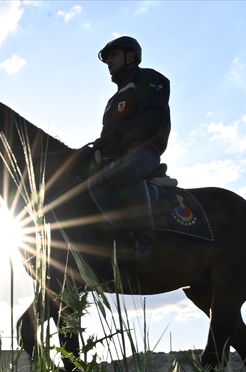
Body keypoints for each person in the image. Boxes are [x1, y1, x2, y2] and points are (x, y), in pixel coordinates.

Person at [90, 36, 171, 270]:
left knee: (125, 172)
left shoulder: (150, 78)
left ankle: (143, 244)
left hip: (145, 151)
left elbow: (152, 117)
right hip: (114, 156)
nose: (109, 62)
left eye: (113, 55)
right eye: (107, 58)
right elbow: (108, 135)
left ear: (131, 56)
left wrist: (118, 136)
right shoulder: (112, 100)